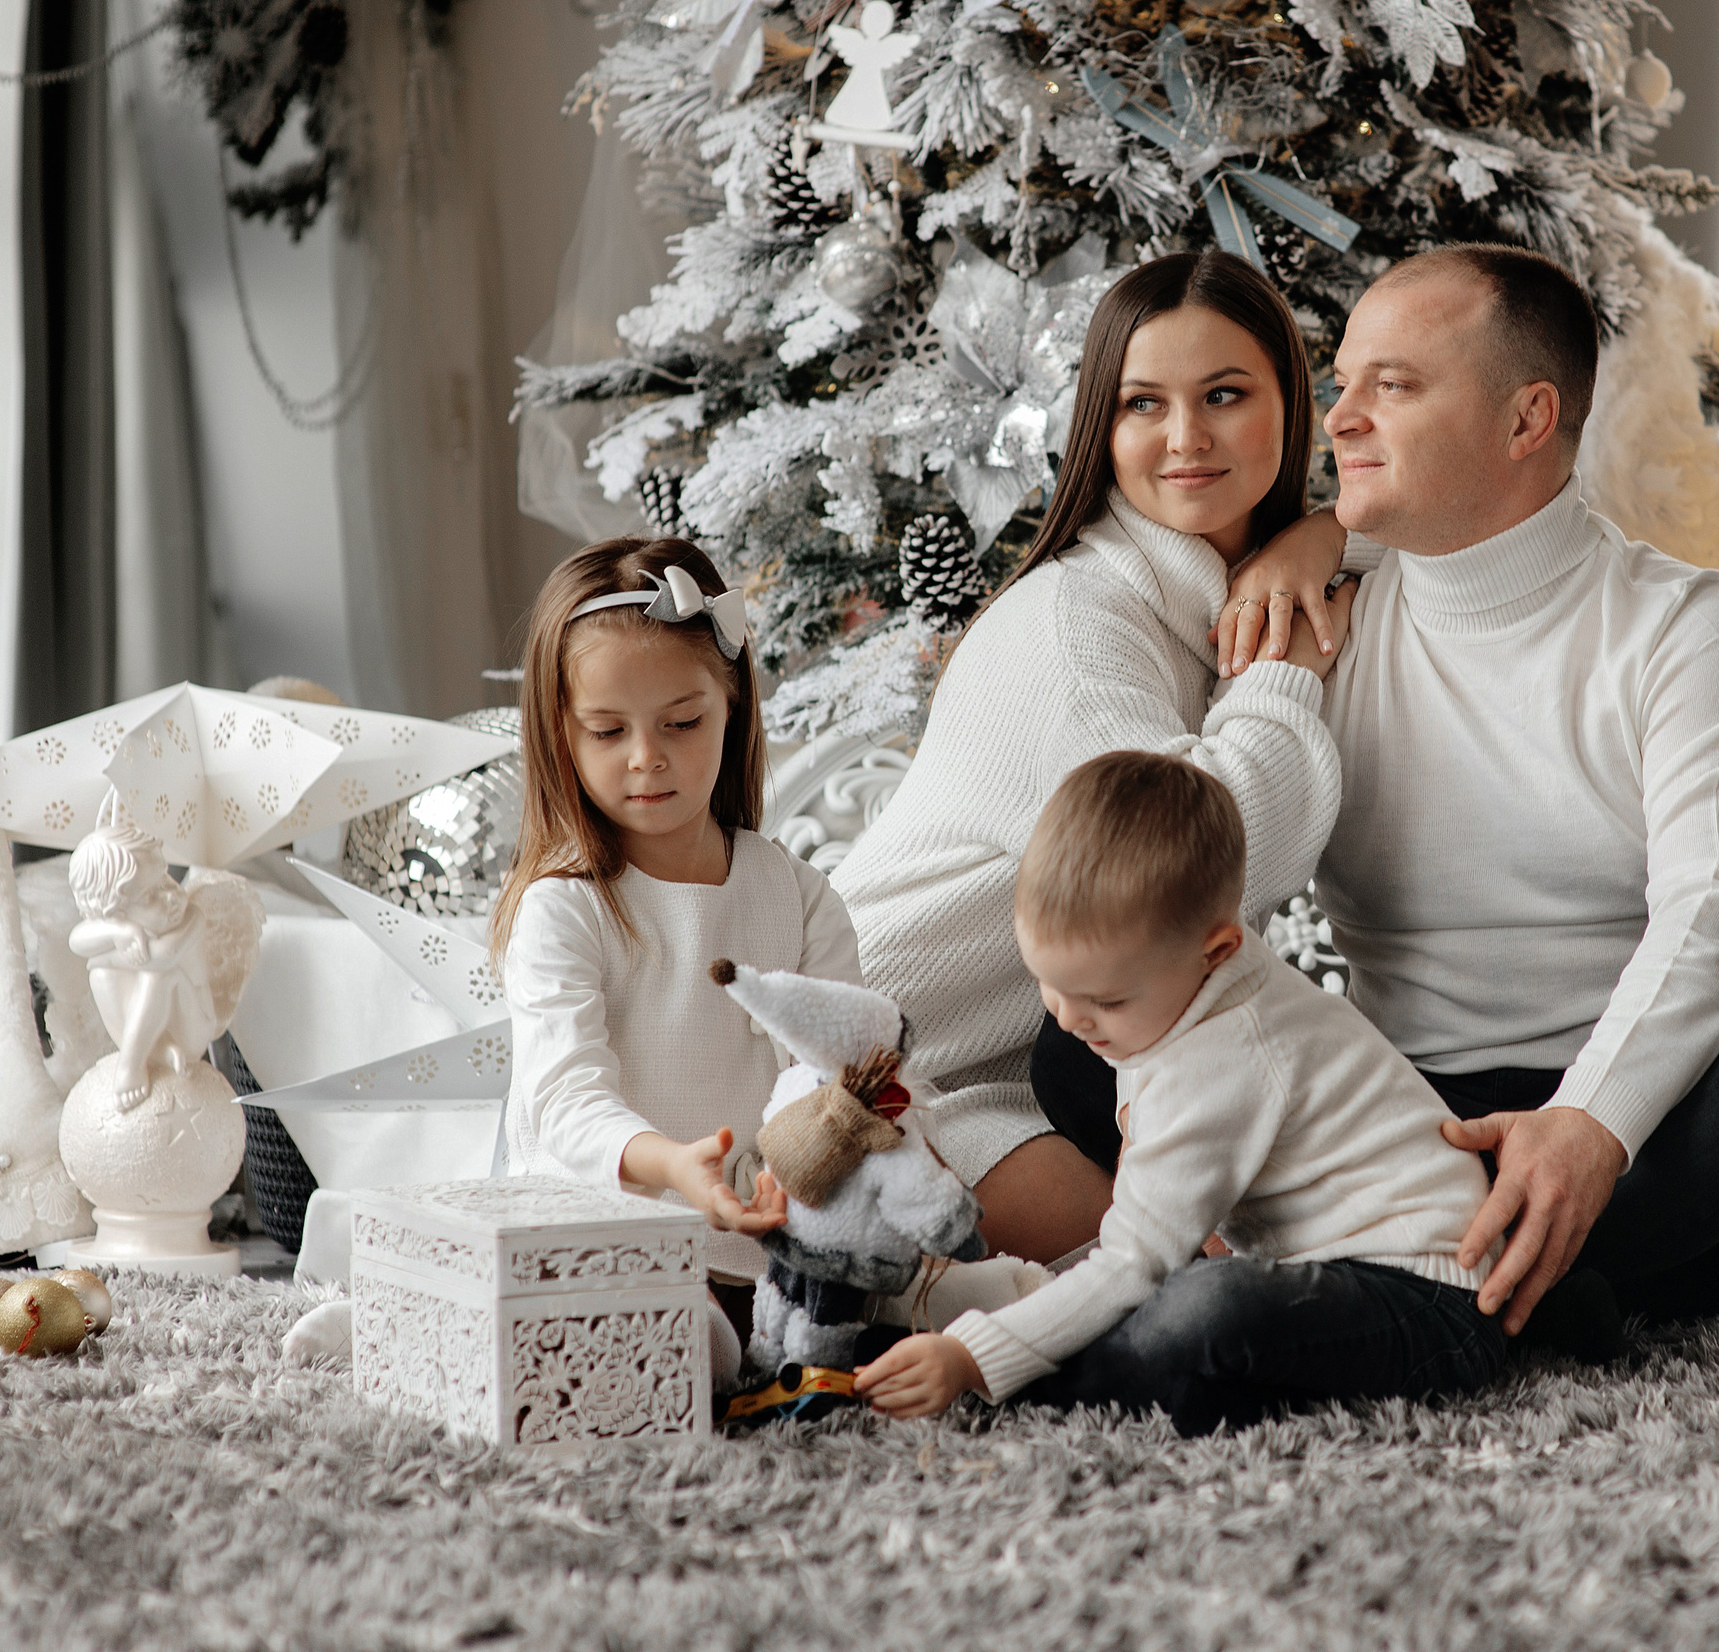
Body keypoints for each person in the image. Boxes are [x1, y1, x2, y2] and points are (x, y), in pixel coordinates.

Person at [1210, 243, 1719, 1338]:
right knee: (1091, 1036)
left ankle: (1424, 1296)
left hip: (1644, 1133)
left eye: (1393, 385)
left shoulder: (1690, 633)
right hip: (1403, 1122)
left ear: (1526, 420)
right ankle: (1523, 1297)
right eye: (1342, 383)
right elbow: (1219, 879)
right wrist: (1309, 542)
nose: (1337, 418)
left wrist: (1588, 1123)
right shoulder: (1323, 619)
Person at [830, 251, 1349, 1263]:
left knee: (1269, 1241)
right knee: (1185, 1283)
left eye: (1226, 395)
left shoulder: (1223, 581)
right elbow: (1209, 857)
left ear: (1291, 406)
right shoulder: (1075, 626)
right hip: (883, 1077)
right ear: (1099, 433)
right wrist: (1280, 666)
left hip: (1037, 1066)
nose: (1185, 437)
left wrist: (1318, 536)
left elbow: (1422, 532)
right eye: (1141, 403)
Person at [856, 751, 1579, 1435]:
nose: (1071, 1015)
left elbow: (1134, 1262)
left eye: (1103, 998)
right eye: (1049, 982)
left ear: (1218, 951)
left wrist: (974, 1356)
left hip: (1430, 1302)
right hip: (1328, 1258)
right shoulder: (1178, 982)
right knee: (1067, 1072)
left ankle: (1063, 1375)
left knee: (1203, 1309)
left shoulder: (1222, 1054)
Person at [492, 535, 856, 1325]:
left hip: (758, 1243)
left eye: (682, 723)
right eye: (607, 731)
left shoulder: (795, 894)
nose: (647, 758)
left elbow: (838, 1067)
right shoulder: (565, 907)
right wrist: (675, 1166)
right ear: (561, 734)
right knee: (659, 1332)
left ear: (731, 704)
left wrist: (814, 1162)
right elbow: (566, 1099)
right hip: (594, 1237)